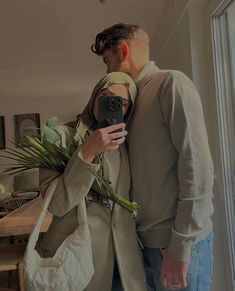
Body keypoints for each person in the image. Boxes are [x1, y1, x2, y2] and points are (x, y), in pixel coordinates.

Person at [91, 23, 214, 291]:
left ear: (123, 51)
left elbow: (198, 170)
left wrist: (180, 247)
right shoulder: (130, 103)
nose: (107, 72)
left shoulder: (171, 84)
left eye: (108, 62)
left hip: (177, 245)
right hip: (142, 246)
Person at [39, 72, 147, 291]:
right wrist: (87, 152)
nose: (110, 104)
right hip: (76, 260)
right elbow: (56, 205)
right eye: (104, 95)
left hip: (125, 260)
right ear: (94, 97)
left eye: (121, 102)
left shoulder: (129, 144)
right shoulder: (60, 136)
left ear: (128, 110)